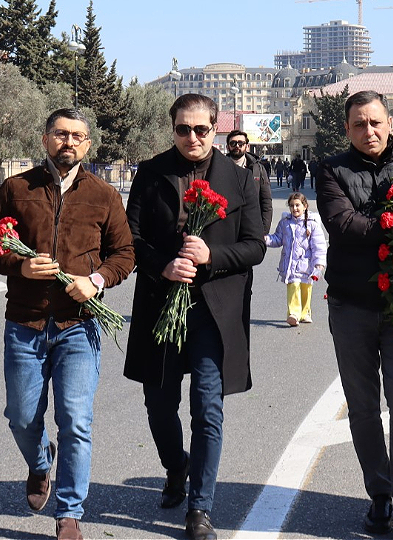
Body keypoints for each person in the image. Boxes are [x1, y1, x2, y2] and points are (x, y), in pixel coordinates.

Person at [0, 108, 135, 540]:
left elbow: (125, 254)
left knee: (76, 421)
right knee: (21, 416)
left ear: (88, 144)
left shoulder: (103, 194)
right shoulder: (17, 188)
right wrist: (19, 267)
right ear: (45, 139)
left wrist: (96, 281)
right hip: (25, 324)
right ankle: (40, 462)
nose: (69, 142)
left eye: (78, 136)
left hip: (79, 326)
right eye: (61, 134)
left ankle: (69, 511)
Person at [124, 94, 265, 540]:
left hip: (213, 310)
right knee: (160, 404)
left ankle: (200, 507)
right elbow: (132, 237)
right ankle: (175, 467)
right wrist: (163, 265)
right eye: (183, 129)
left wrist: (212, 256)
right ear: (173, 129)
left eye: (201, 129)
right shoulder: (150, 174)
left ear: (216, 128)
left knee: (208, 408)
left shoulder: (240, 180)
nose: (192, 137)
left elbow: (255, 245)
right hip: (161, 304)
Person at [316, 90, 393, 539]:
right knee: (362, 408)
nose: (369, 131)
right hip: (351, 306)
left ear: (390, 122)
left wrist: (381, 219)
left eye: (376, 122)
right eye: (359, 124)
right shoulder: (331, 170)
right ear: (347, 129)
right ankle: (379, 495)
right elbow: (344, 225)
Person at [265, 192, 327, 326]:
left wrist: (319, 266)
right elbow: (277, 239)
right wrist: (265, 239)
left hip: (307, 266)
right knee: (293, 286)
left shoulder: (312, 224)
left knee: (306, 290)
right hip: (291, 265)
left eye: (297, 205)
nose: (295, 209)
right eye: (292, 206)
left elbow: (319, 246)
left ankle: (305, 313)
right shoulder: (285, 223)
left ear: (305, 206)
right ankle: (293, 313)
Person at [224, 131, 272, 231]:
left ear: (247, 146)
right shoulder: (219, 166)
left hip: (251, 224)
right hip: (226, 226)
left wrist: (264, 229)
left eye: (241, 143)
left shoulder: (257, 168)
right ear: (228, 146)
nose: (237, 146)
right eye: (233, 143)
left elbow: (266, 200)